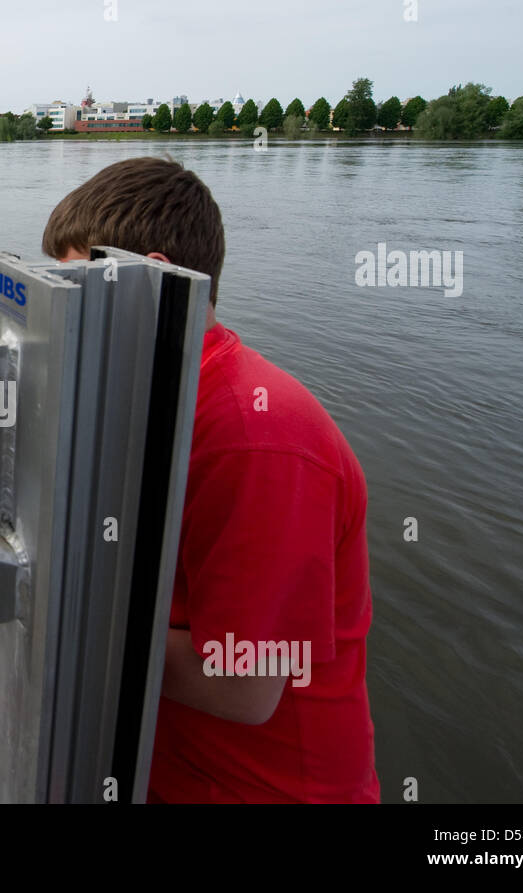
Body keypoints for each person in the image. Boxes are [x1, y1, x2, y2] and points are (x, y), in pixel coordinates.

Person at [39, 157, 378, 803]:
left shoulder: (262, 434)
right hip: (156, 763)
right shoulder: (138, 393)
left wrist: (58, 607)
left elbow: (245, 684)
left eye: (77, 291)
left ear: (153, 282)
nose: (65, 321)